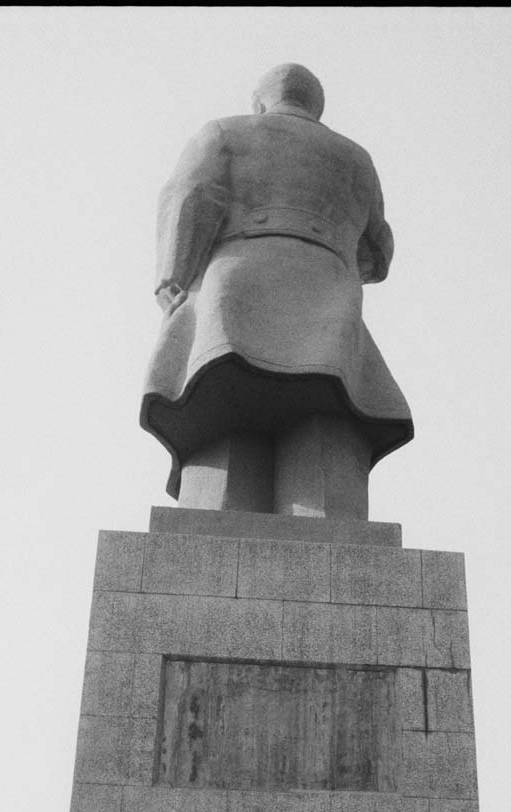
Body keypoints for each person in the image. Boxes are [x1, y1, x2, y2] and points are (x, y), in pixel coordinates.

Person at [140, 62, 414, 516]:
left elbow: (193, 196)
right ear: (316, 107)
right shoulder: (355, 158)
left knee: (226, 409)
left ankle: (220, 514)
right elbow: (379, 248)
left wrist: (173, 276)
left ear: (260, 101)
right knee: (325, 417)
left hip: (238, 281)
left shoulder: (225, 132)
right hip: (328, 289)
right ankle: (326, 522)